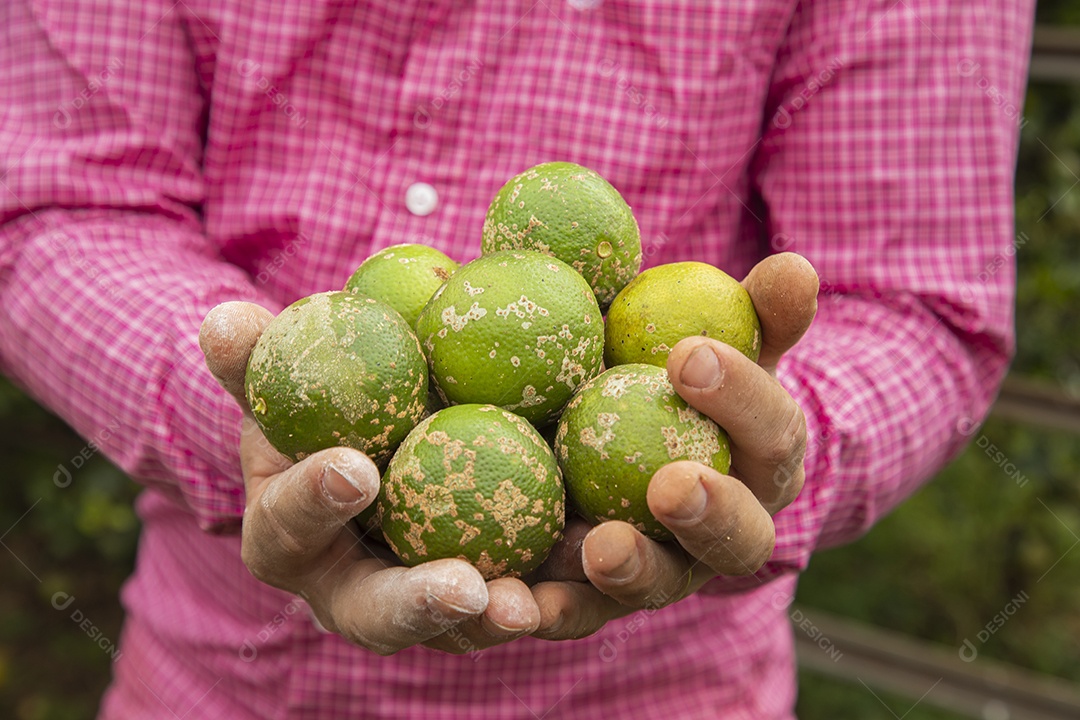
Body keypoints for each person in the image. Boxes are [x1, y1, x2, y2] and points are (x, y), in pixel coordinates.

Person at [0, 0, 1033, 717]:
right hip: (218, 679)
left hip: (662, 692)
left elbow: (916, 303)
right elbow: (59, 203)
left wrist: (763, 453)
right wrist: (256, 413)